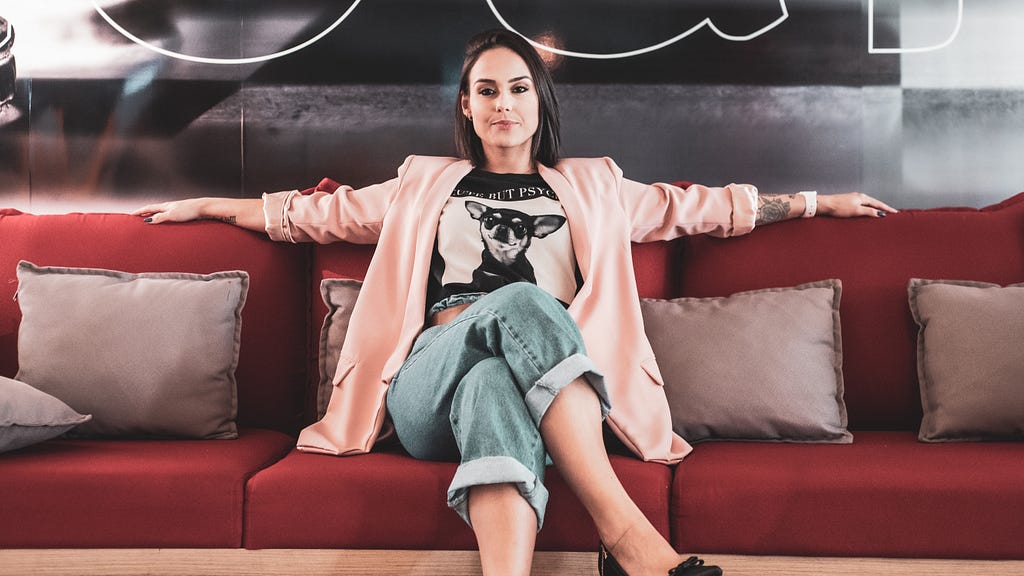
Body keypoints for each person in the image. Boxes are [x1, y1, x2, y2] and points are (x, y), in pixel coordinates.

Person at [134, 29, 896, 576]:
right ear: (467, 108)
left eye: (519, 87)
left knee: (496, 384)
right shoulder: (422, 183)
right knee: (521, 298)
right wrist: (205, 204)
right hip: (426, 382)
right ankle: (628, 538)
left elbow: (696, 206)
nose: (504, 102)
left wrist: (814, 203)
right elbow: (309, 215)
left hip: (539, 390)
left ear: (539, 100)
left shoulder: (595, 186)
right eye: (487, 90)